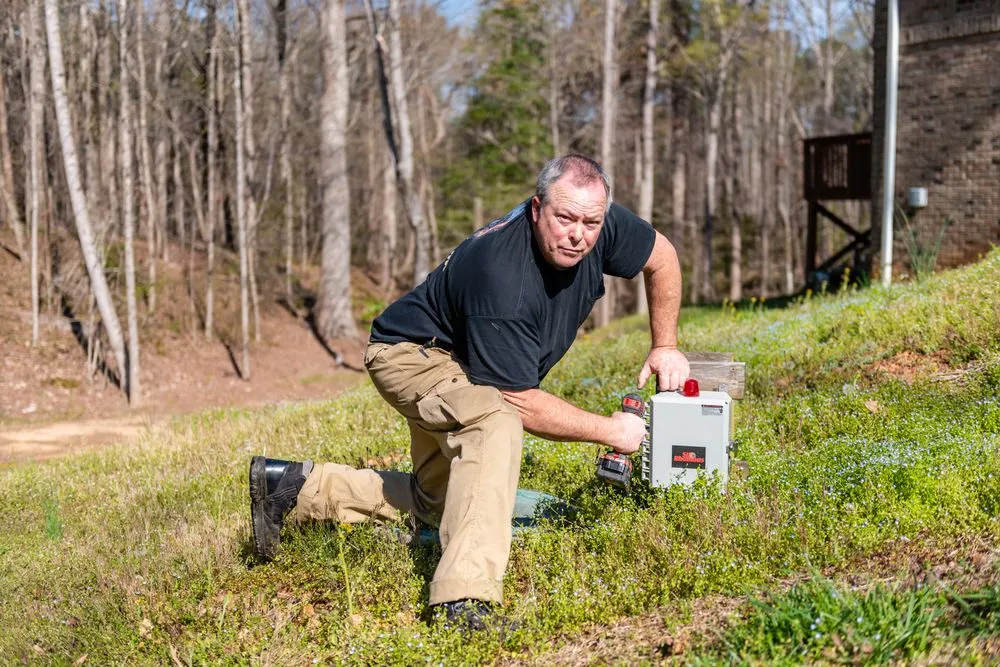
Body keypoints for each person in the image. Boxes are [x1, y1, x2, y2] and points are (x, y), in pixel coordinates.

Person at [248, 154, 689, 631]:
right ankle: (465, 599)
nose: (578, 234)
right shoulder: (502, 276)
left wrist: (664, 345)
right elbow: (518, 400)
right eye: (564, 219)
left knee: (440, 505)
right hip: (411, 355)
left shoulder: (598, 221)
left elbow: (661, 257)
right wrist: (612, 431)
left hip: (461, 357)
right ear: (537, 208)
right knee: (494, 422)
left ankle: (290, 488)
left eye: (590, 222)